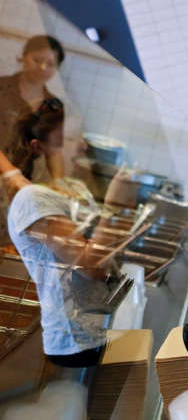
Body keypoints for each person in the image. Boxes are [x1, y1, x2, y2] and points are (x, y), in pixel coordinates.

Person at [5, 103, 127, 368]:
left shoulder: (75, 188)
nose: (83, 146)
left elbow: (105, 249)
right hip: (78, 342)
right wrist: (114, 206)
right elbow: (90, 265)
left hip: (104, 322)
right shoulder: (32, 198)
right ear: (40, 147)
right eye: (71, 138)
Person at [0, 35, 67, 192]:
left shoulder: (54, 106)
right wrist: (10, 172)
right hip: (12, 177)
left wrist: (60, 182)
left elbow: (53, 151)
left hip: (19, 184)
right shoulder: (2, 88)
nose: (43, 68)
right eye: (37, 60)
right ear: (24, 57)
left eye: (50, 64)